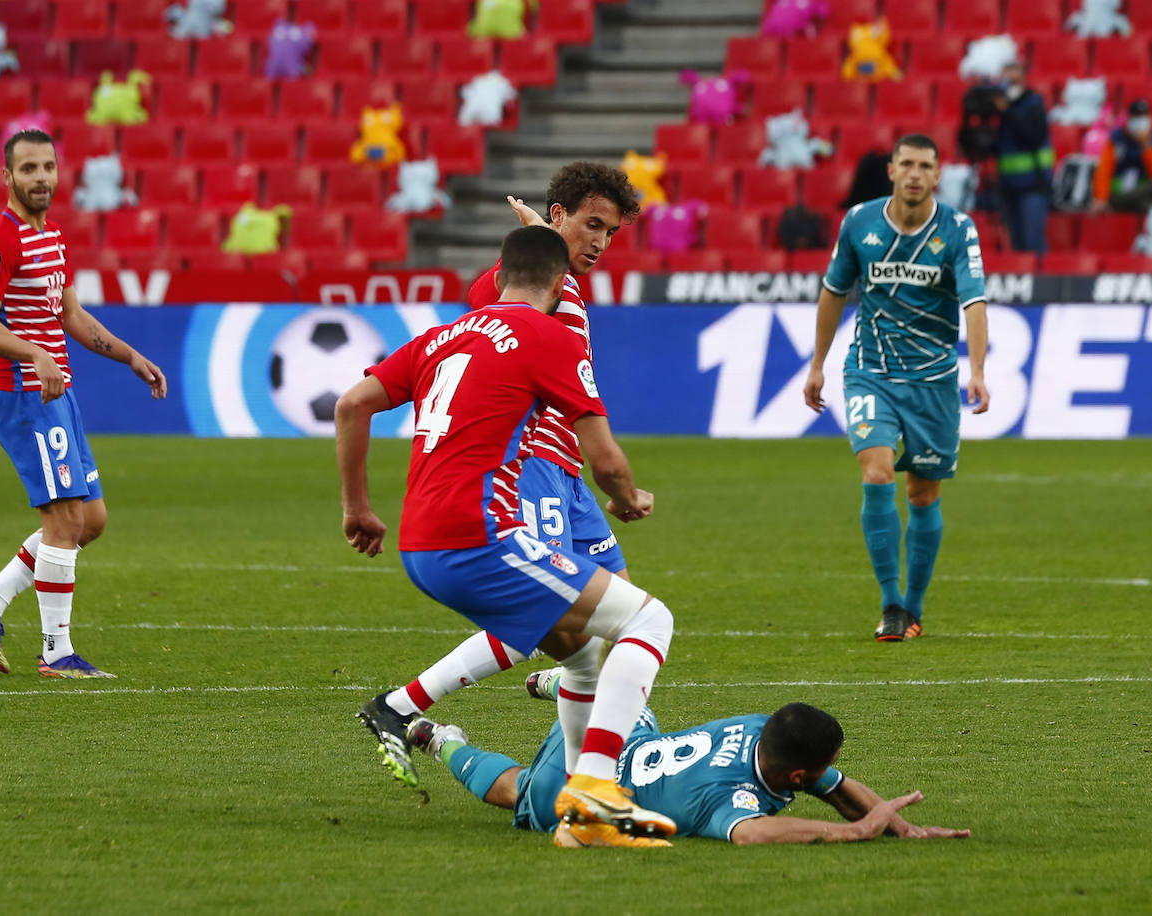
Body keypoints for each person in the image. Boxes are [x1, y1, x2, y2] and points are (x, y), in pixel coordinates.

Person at [338, 226, 675, 848]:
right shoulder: (549, 333)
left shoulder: (439, 337)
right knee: (650, 623)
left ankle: (583, 817)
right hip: (481, 538)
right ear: (557, 285)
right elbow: (606, 460)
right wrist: (628, 498)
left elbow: (351, 405)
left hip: (421, 545)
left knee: (577, 652)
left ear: (496, 277)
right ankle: (596, 792)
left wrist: (358, 508)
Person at [0, 128, 167, 679]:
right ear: (8, 176)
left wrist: (130, 357)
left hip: (57, 393)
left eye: (47, 166)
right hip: (25, 396)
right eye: (28, 169)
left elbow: (71, 317)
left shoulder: (52, 238)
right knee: (65, 518)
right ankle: (56, 652)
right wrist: (34, 355)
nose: (41, 177)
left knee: (89, 520)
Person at [803, 133, 990, 642]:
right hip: (870, 371)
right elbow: (833, 292)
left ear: (936, 175)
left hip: (932, 381)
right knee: (878, 470)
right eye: (905, 163)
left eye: (924, 165)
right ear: (891, 170)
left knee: (923, 494)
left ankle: (914, 607)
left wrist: (976, 369)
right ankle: (889, 602)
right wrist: (818, 364)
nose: (914, 173)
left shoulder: (957, 229)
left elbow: (974, 301)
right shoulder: (860, 221)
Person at [407, 680, 970, 847]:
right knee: (519, 791)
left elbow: (840, 788)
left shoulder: (764, 732)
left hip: (629, 726)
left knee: (635, 700)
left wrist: (898, 825)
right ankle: (439, 739)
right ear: (793, 775)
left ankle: (578, 688)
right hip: (593, 768)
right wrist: (854, 833)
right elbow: (753, 834)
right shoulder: (727, 798)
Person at [992, 61, 1053, 255]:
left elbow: (1033, 137)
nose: (1008, 75)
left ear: (1024, 73)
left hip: (1033, 184)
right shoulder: (998, 105)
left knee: (1032, 241)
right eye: (1005, 69)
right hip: (1008, 185)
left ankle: (1043, 282)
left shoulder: (1034, 103)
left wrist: (1008, 111)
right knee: (1017, 244)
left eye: (1013, 69)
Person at [1091, 99, 1152, 214]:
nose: (1139, 122)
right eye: (1136, 117)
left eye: (1143, 117)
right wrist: (1100, 198)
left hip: (1143, 192)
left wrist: (1147, 145)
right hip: (1119, 195)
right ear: (1129, 119)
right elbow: (1104, 170)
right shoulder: (1116, 139)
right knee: (1148, 205)